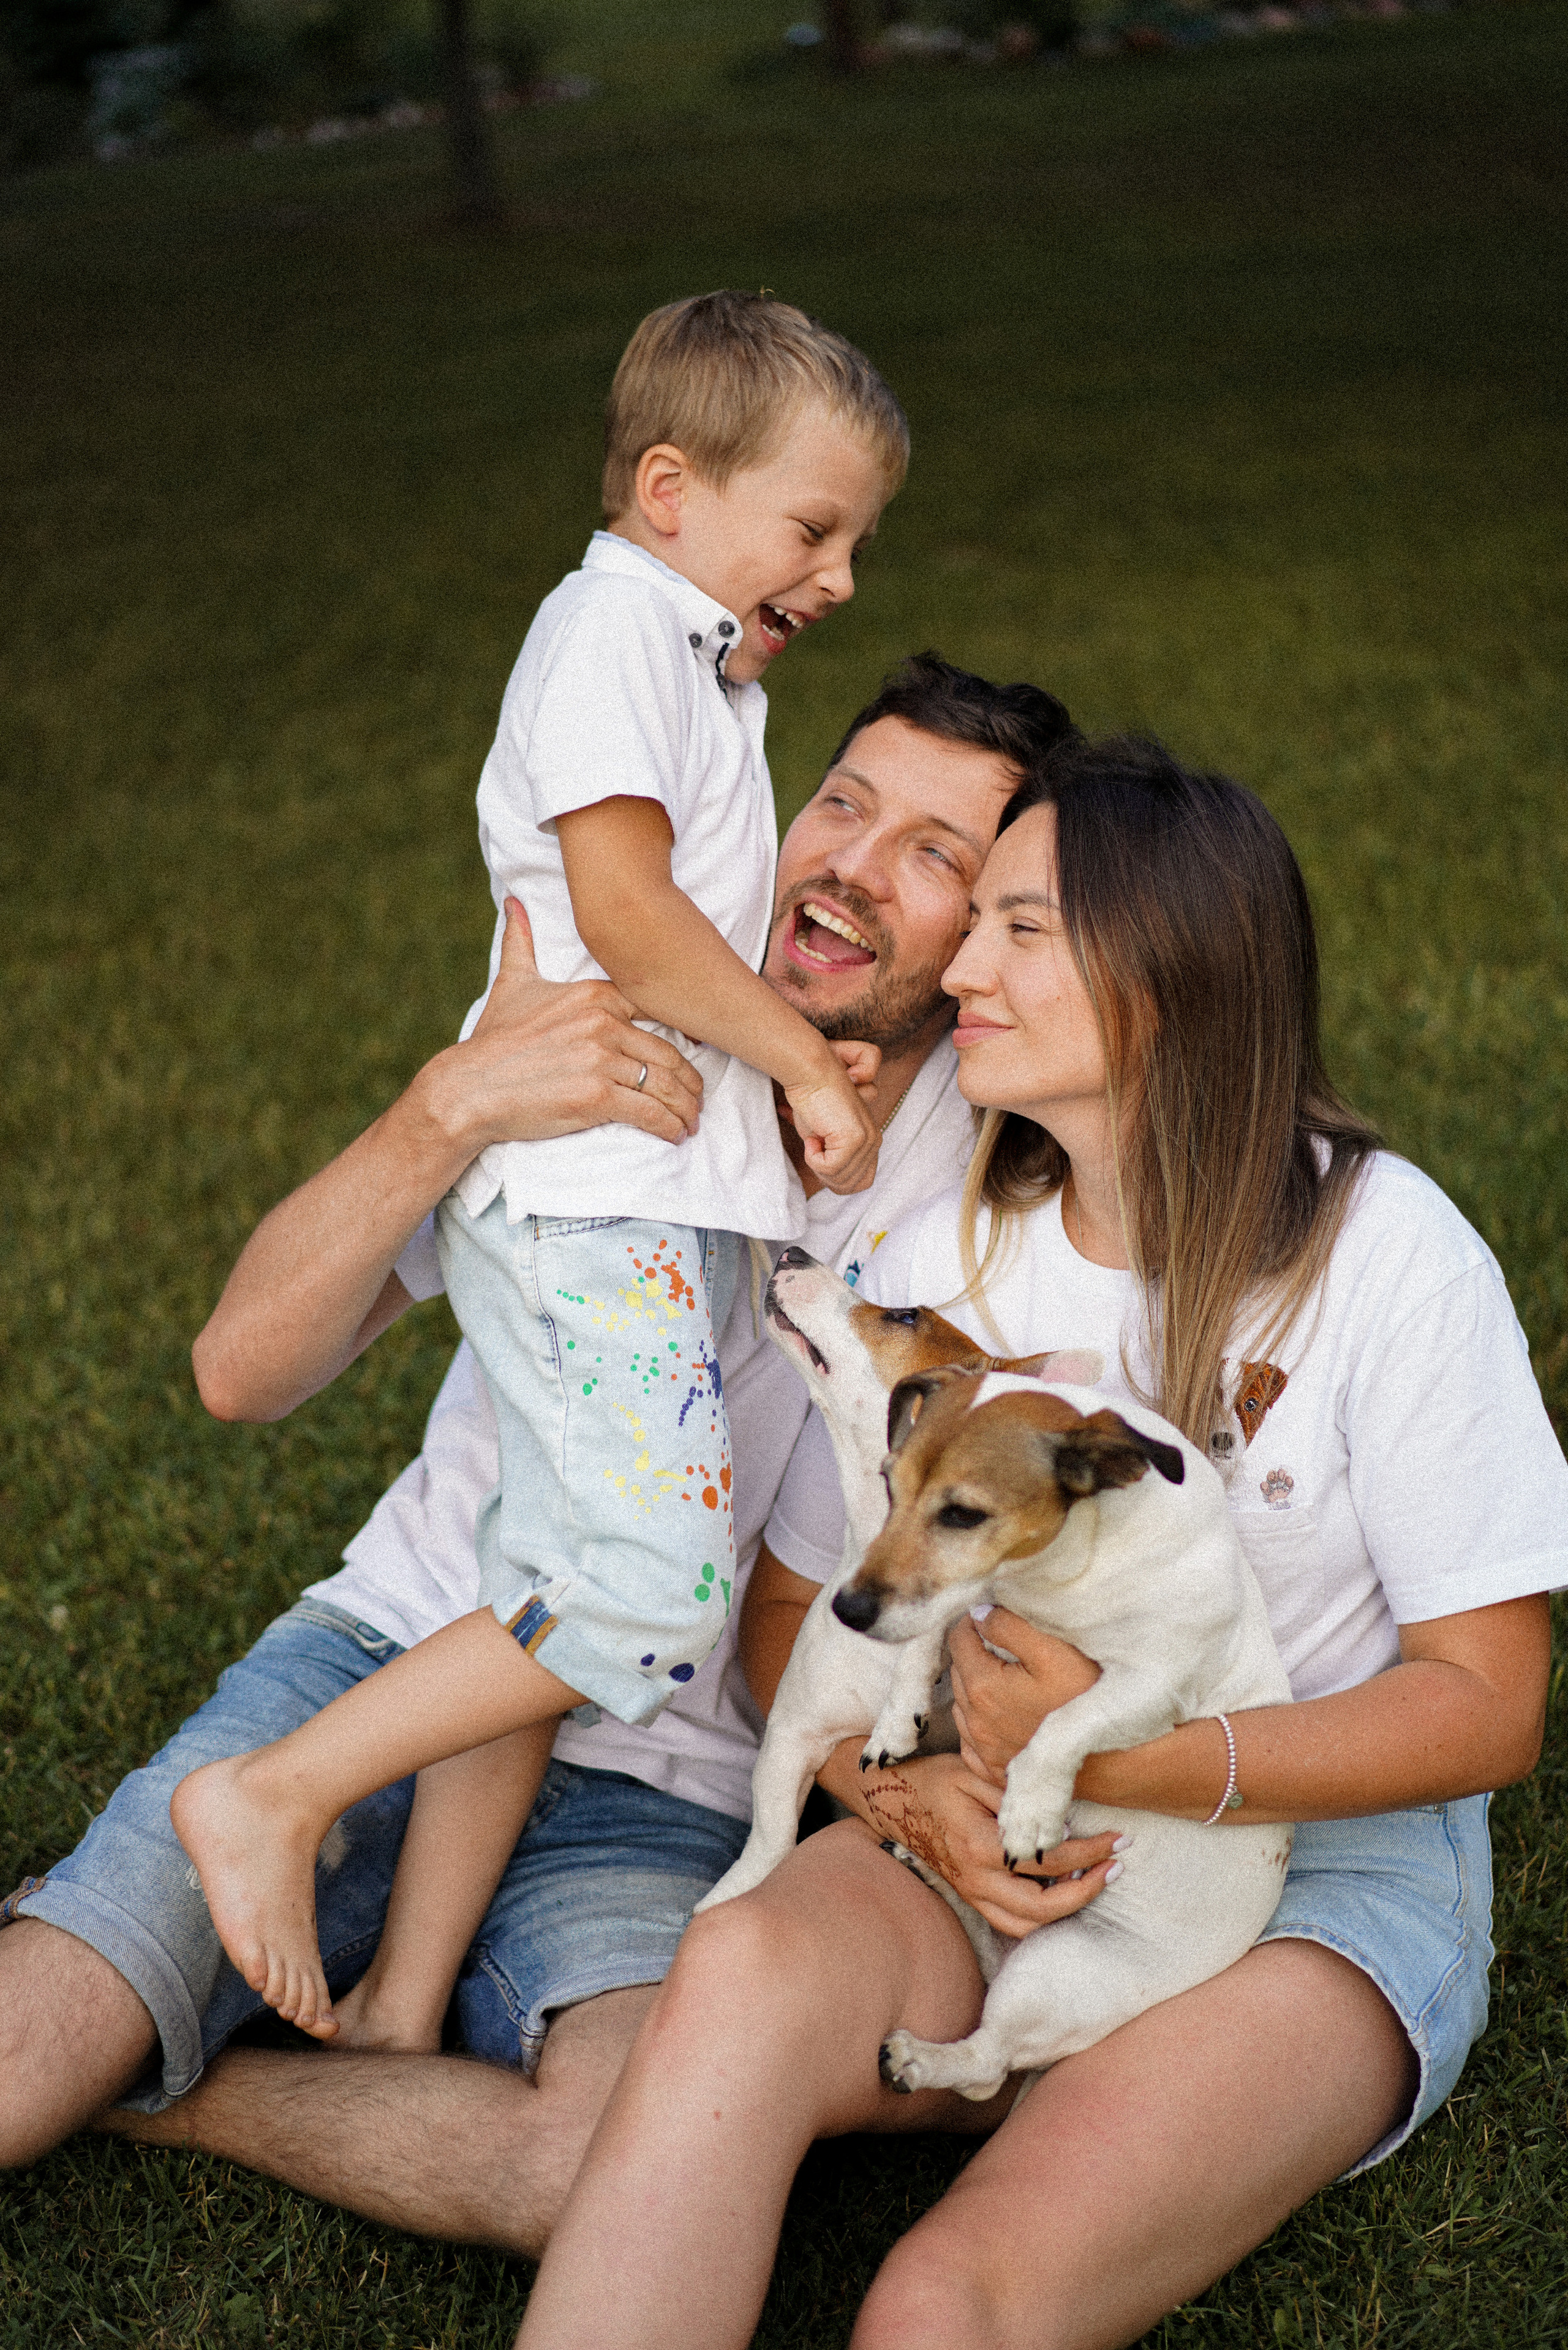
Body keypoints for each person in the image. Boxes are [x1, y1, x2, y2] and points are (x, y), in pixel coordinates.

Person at [0, 655, 1077, 2261]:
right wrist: (452, 1106)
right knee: (22, 2059)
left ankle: (185, 2076)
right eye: (842, 803)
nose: (853, 863)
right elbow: (240, 1370)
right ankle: (121, 2009)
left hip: (678, 1789)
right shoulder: (626, 1029)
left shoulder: (1008, 1190)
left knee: (616, 2169)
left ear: (989, 936)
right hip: (402, 1661)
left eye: (935, 854)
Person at [515, 734, 1565, 2350]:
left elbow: (1487, 1706)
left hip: (1335, 1850)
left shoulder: (1389, 1253)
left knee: (947, 2300)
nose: (962, 963)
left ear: (1171, 973)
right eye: (977, 917)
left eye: (1022, 928)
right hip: (985, 1807)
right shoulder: (943, 1255)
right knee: (729, 1978)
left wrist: (1110, 1774)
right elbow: (805, 1608)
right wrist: (909, 1795)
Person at [170, 289, 909, 2045]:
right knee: (648, 1591)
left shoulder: (689, 667)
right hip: (588, 1206)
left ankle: (410, 1998)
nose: (841, 577)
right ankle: (271, 1796)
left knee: (555, 1573)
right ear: (672, 489)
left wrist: (797, 1039)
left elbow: (690, 930)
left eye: (859, 541)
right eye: (815, 529)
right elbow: (631, 921)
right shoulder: (608, 635)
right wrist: (796, 1058)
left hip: (634, 1203)